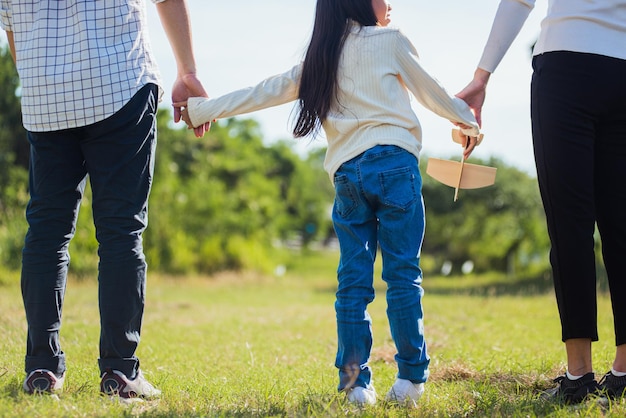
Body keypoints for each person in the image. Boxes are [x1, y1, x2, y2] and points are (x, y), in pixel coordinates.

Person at [179, 0, 481, 407]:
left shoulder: (320, 57)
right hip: (395, 167)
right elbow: (435, 95)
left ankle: (357, 386)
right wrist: (469, 122)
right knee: (403, 275)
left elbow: (263, 92)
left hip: (348, 176)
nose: (390, 3)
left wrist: (201, 110)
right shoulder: (390, 41)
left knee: (353, 283)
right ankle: (410, 381)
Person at [1, 0, 210, 398]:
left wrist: (48, 77)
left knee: (46, 233)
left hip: (46, 100)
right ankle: (119, 373)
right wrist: (188, 71)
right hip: (119, 85)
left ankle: (41, 370)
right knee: (120, 233)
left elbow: (13, 35)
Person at [456, 0, 626, 404]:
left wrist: (482, 76)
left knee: (570, 225)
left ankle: (579, 375)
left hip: (566, 67)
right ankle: (623, 370)